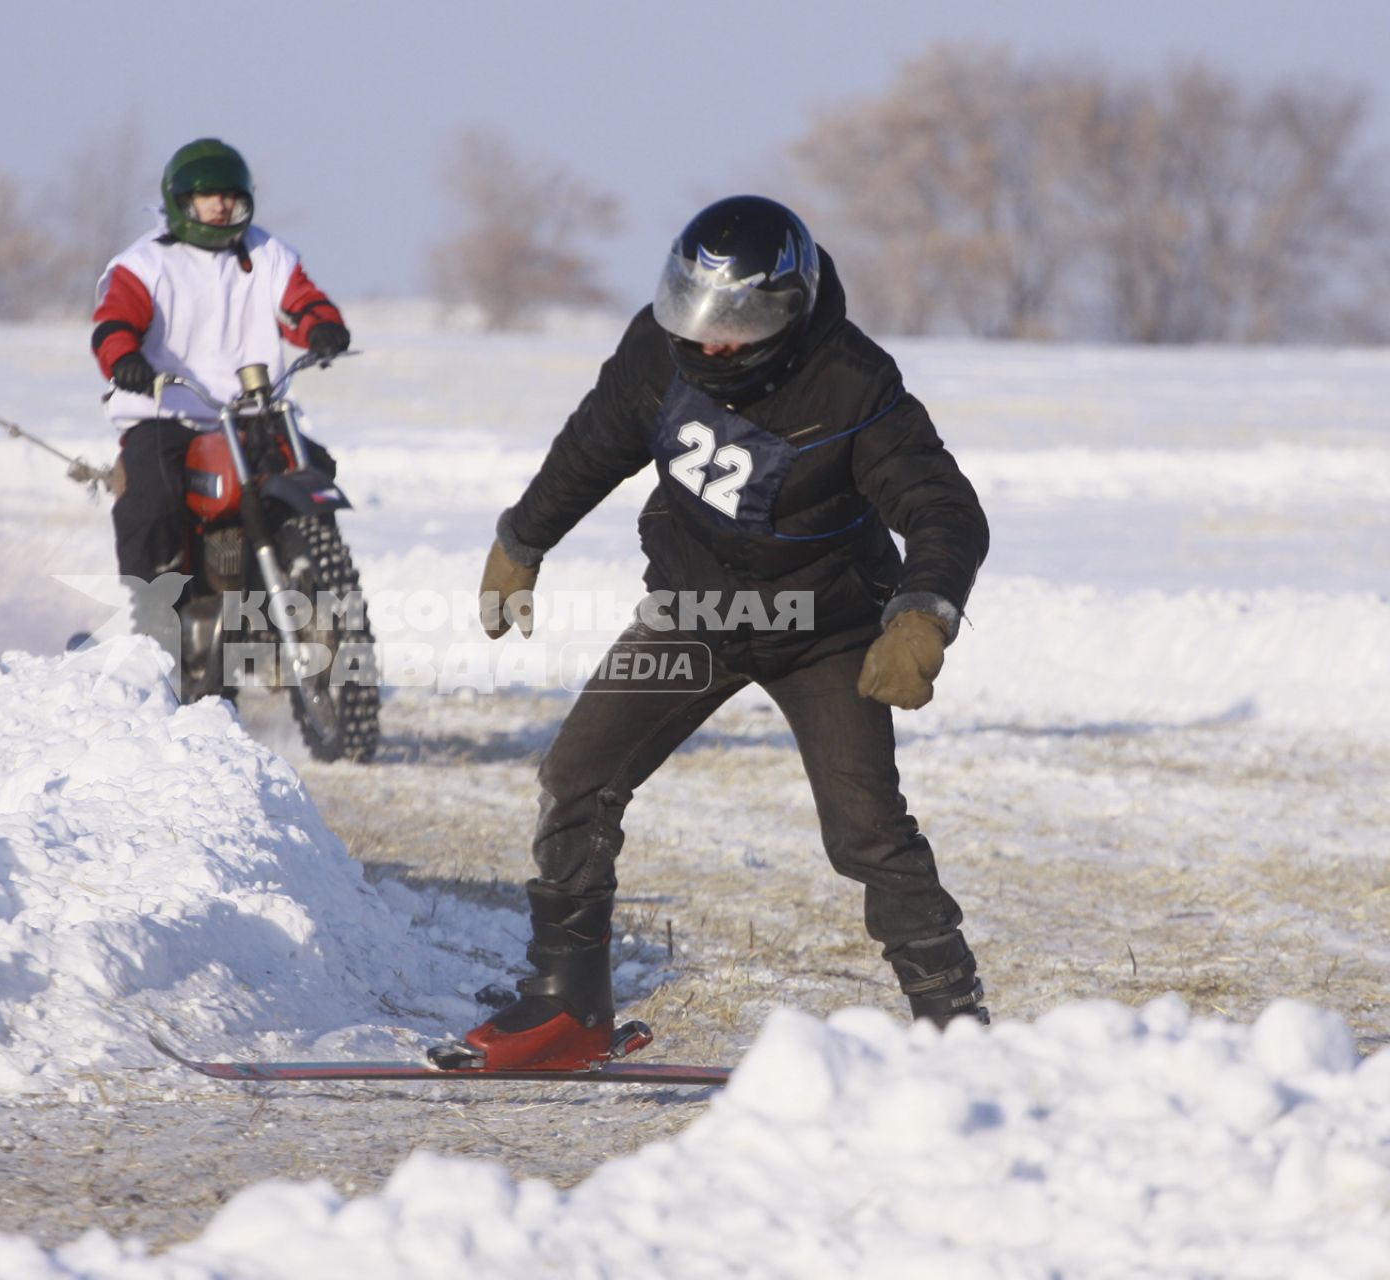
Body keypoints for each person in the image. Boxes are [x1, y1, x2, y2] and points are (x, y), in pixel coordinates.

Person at [464, 196, 992, 1071]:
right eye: (697, 317)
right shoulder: (656, 351)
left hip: (823, 629)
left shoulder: (854, 383)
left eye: (735, 325)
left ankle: (955, 1025)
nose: (710, 344)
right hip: (695, 611)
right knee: (577, 778)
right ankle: (568, 1005)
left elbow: (945, 512)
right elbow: (594, 445)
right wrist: (523, 539)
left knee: (865, 834)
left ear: (785, 311)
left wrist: (921, 610)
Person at [89, 138, 350, 592]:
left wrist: (322, 328)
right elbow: (114, 324)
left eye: (230, 196)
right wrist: (125, 360)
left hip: (253, 412)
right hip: (167, 412)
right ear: (182, 200)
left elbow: (302, 303)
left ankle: (313, 586)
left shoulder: (269, 253)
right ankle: (155, 623)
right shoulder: (144, 263)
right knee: (152, 503)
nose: (221, 206)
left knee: (315, 467)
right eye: (209, 197)